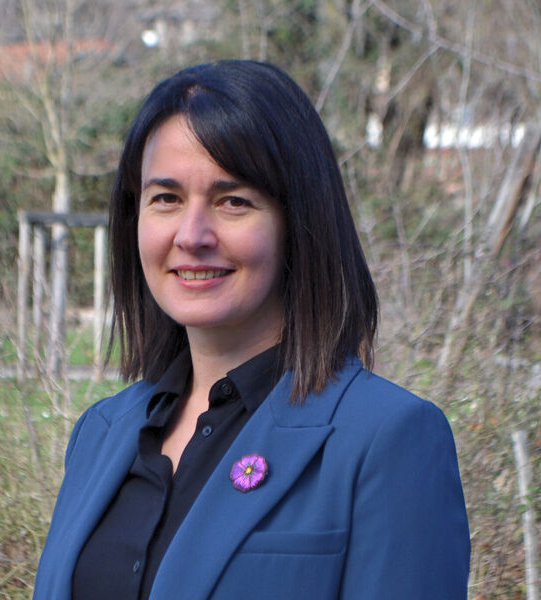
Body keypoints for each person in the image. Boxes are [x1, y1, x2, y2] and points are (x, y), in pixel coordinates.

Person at [33, 60, 470, 599]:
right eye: (166, 198)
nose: (192, 235)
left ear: (298, 222)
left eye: (233, 201)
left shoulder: (388, 439)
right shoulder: (100, 432)